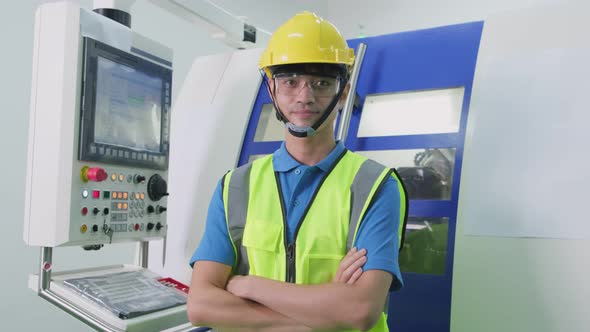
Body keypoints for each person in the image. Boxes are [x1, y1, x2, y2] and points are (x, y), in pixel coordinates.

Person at [187, 11, 407, 332]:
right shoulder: (234, 186)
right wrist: (321, 311)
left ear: (343, 92)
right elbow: (201, 305)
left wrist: (250, 286)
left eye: (321, 82)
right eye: (290, 82)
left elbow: (359, 310)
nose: (304, 96)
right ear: (272, 90)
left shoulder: (376, 186)